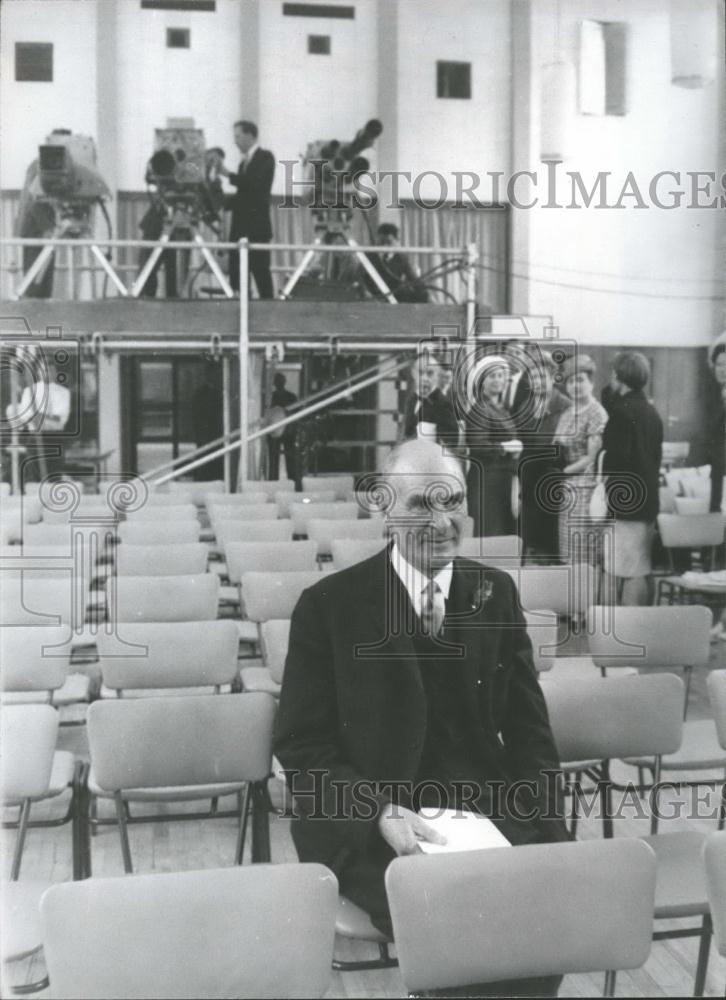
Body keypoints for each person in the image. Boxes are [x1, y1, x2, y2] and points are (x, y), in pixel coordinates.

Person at [275, 439, 569, 997]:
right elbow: (302, 748)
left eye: (452, 501)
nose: (441, 521)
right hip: (374, 822)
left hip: (485, 810)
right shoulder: (328, 606)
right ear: (384, 509)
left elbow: (531, 730)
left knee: (544, 918)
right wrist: (379, 812)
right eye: (419, 505)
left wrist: (552, 837)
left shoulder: (496, 592)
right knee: (466, 932)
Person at [600, 352, 663, 606]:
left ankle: (628, 628)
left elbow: (616, 464)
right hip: (648, 500)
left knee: (626, 571)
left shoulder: (620, 414)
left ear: (618, 376)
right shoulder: (651, 412)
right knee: (641, 567)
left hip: (626, 503)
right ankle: (641, 625)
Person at [552, 355, 608, 563]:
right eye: (570, 381)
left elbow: (591, 457)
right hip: (567, 487)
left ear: (591, 383)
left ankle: (589, 595)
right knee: (568, 553)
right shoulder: (568, 412)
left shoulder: (597, 413)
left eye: (580, 380)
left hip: (586, 486)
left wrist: (563, 472)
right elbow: (557, 446)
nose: (575, 385)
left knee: (584, 553)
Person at [517, 351, 572, 563]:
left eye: (542, 376)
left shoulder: (565, 406)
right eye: (532, 376)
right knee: (532, 538)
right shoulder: (525, 408)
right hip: (529, 482)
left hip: (554, 481)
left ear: (552, 376)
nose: (537, 382)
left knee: (552, 543)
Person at [463, 354, 522, 537]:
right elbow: (477, 445)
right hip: (486, 482)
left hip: (500, 481)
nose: (497, 380)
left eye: (500, 375)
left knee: (500, 534)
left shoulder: (501, 409)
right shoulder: (480, 409)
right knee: (489, 533)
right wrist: (505, 447)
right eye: (492, 376)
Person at [220, 120, 275, 298]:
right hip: (240, 229)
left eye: (238, 136)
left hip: (257, 230)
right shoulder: (242, 165)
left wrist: (228, 174)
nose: (235, 141)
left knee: (261, 277)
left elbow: (255, 186)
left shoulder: (266, 157)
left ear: (250, 135)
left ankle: (269, 317)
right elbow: (243, 197)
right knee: (238, 279)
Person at [5, 358, 71, 479]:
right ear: (39, 372)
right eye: (44, 369)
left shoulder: (63, 392)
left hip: (55, 438)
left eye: (51, 370)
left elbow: (60, 418)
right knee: (34, 476)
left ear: (55, 372)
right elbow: (26, 416)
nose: (47, 372)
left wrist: (38, 415)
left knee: (54, 475)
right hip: (35, 438)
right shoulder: (29, 391)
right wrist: (44, 416)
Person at [364, 223, 429, 303]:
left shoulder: (401, 258)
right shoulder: (370, 255)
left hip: (395, 296)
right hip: (375, 295)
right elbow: (360, 276)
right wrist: (366, 292)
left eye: (388, 242)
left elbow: (413, 278)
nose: (385, 246)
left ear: (396, 241)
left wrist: (424, 291)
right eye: (381, 242)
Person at [401, 359, 458, 445]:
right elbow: (406, 434)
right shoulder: (411, 400)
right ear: (413, 374)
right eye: (420, 373)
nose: (425, 378)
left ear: (437, 376)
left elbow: (451, 443)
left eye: (430, 373)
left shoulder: (443, 403)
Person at [266, 372, 299, 485]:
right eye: (277, 381)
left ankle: (293, 483)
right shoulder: (270, 397)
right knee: (273, 460)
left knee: (290, 459)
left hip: (288, 432)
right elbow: (268, 415)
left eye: (281, 381)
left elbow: (296, 415)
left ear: (284, 382)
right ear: (275, 383)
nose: (279, 383)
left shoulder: (292, 397)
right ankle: (273, 484)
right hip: (274, 432)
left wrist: (291, 429)